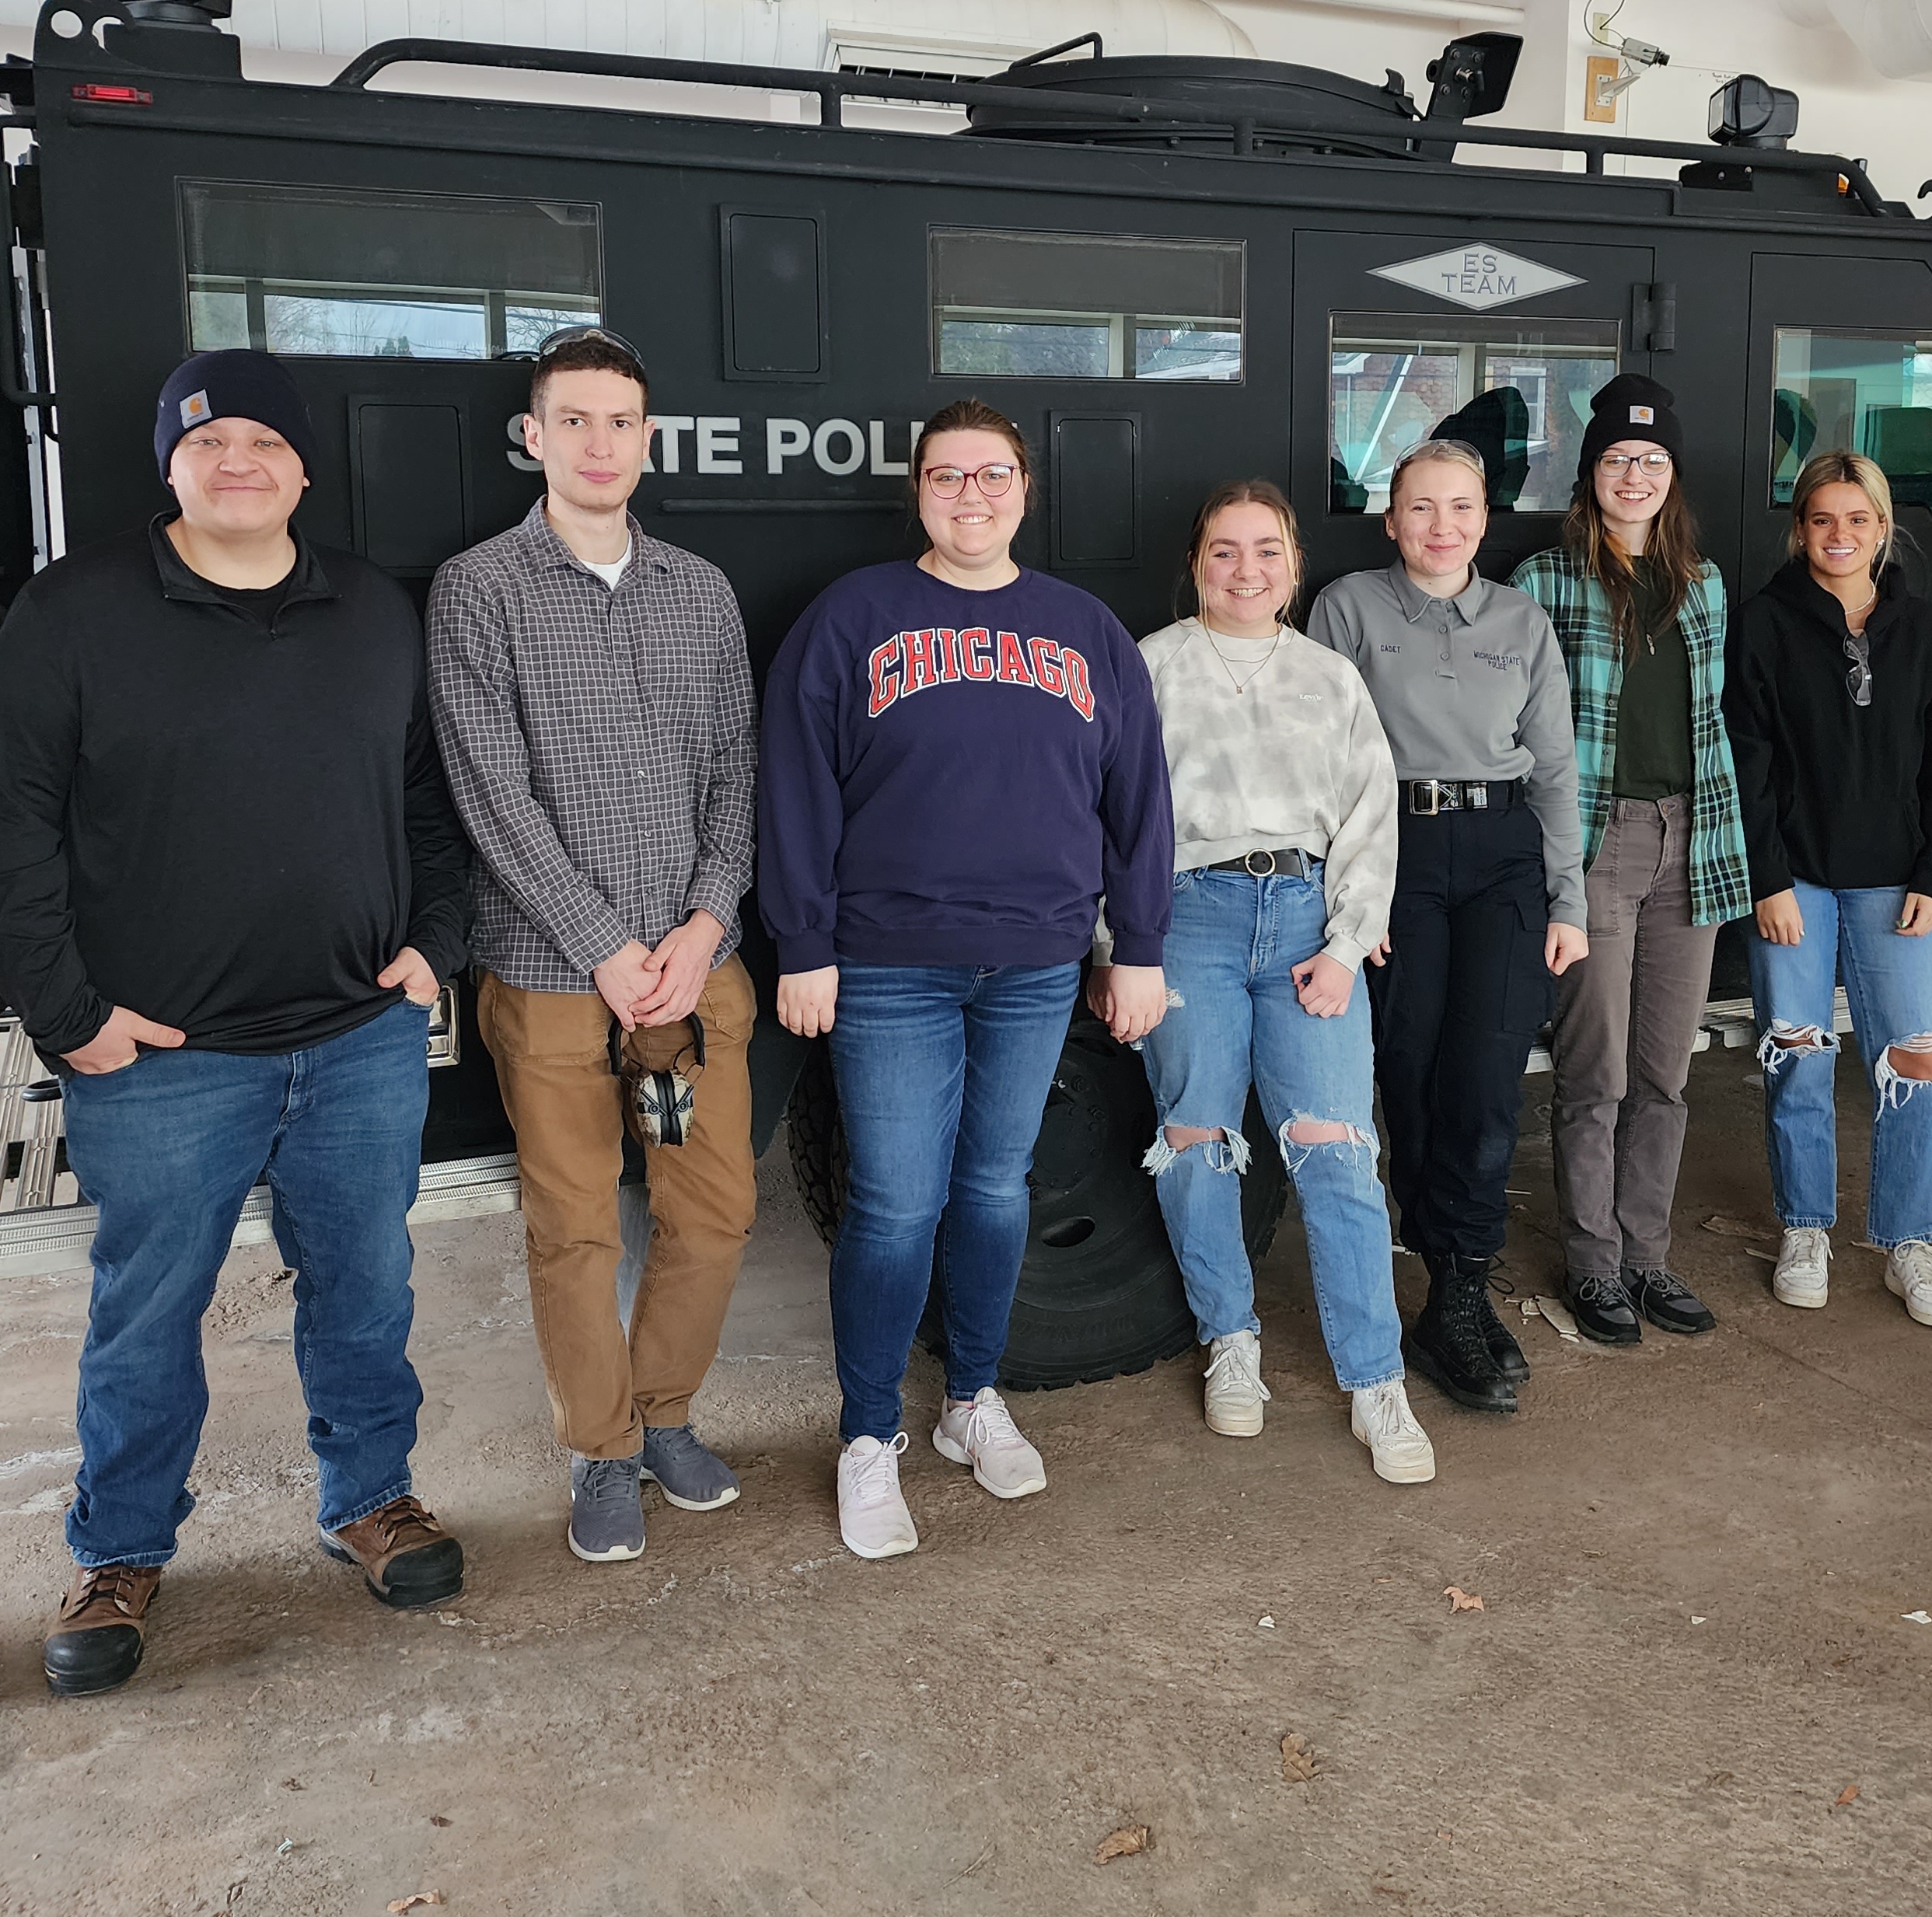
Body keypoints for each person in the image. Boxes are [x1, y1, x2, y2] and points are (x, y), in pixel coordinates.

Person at [0, 348, 476, 1697]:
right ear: (170, 464)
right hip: (164, 1058)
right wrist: (66, 1015)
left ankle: (373, 1499)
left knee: (365, 1285)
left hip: (361, 1036)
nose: (235, 461)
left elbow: (431, 798)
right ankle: (121, 1552)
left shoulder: (372, 610)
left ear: (304, 466)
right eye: (207, 442)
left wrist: (437, 940)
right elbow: (6, 824)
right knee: (148, 1313)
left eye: (262, 441)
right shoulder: (75, 614)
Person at [760, 400, 1172, 1559]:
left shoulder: (1084, 630)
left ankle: (972, 1403)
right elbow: (794, 785)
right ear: (919, 491)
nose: (972, 496)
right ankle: (868, 1435)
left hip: (1038, 960)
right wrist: (804, 943)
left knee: (996, 1187)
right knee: (895, 1201)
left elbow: (1140, 799)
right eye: (948, 476)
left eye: (992, 476)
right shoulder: (854, 619)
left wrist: (1136, 945)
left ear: (1025, 490)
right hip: (887, 962)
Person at [428, 328, 760, 1568]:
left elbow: (736, 768)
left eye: (620, 421)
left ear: (649, 438)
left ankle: (665, 1411)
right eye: (573, 421)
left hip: (685, 987)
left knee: (708, 1207)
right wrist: (603, 946)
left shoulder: (700, 591)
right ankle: (602, 1450)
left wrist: (705, 924)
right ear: (534, 434)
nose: (599, 444)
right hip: (557, 987)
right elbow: (488, 789)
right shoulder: (481, 590)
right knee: (574, 1229)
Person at [1103, 482, 1434, 1482]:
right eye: (1223, 552)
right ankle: (1231, 1345)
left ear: (1293, 564)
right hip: (1184, 916)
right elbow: (1107, 823)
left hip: (1302, 919)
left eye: (1265, 552)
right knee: (1196, 1138)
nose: (1245, 571)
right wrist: (1119, 950)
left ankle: (1377, 1381)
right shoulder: (1147, 666)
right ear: (1195, 562)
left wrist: (1346, 945)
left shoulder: (1330, 678)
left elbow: (1372, 820)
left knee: (1336, 1149)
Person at [1311, 441, 1588, 1416]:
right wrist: (1356, 902)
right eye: (1420, 508)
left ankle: (1463, 1292)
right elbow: (1329, 765)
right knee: (1413, 1068)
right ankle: (1435, 1278)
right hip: (1400, 854)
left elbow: (1554, 770)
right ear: (1391, 521)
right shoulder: (1346, 606)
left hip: (1506, 855)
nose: (1442, 526)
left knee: (1486, 1078)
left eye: (1461, 507)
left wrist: (1570, 904)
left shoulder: (1520, 618)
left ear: (1485, 518)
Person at [1511, 374, 1752, 1348]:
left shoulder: (1703, 583)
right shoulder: (1544, 580)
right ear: (1590, 473)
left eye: (1652, 461)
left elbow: (1708, 720)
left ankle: (1648, 1260)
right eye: (1617, 458)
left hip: (1692, 836)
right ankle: (1593, 1267)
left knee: (1664, 1073)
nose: (1635, 475)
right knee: (1594, 1072)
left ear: (1672, 476)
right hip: (1595, 843)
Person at [1724, 452, 1932, 1329]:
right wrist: (1768, 879)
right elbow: (1744, 763)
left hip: (1899, 884)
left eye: (1857, 519)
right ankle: (1805, 1228)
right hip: (1795, 884)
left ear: (1882, 527)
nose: (1840, 535)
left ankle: (1908, 1241)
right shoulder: (1761, 624)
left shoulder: (1929, 631)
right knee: (1797, 1054)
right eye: (1822, 520)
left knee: (1916, 1062)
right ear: (1799, 531)